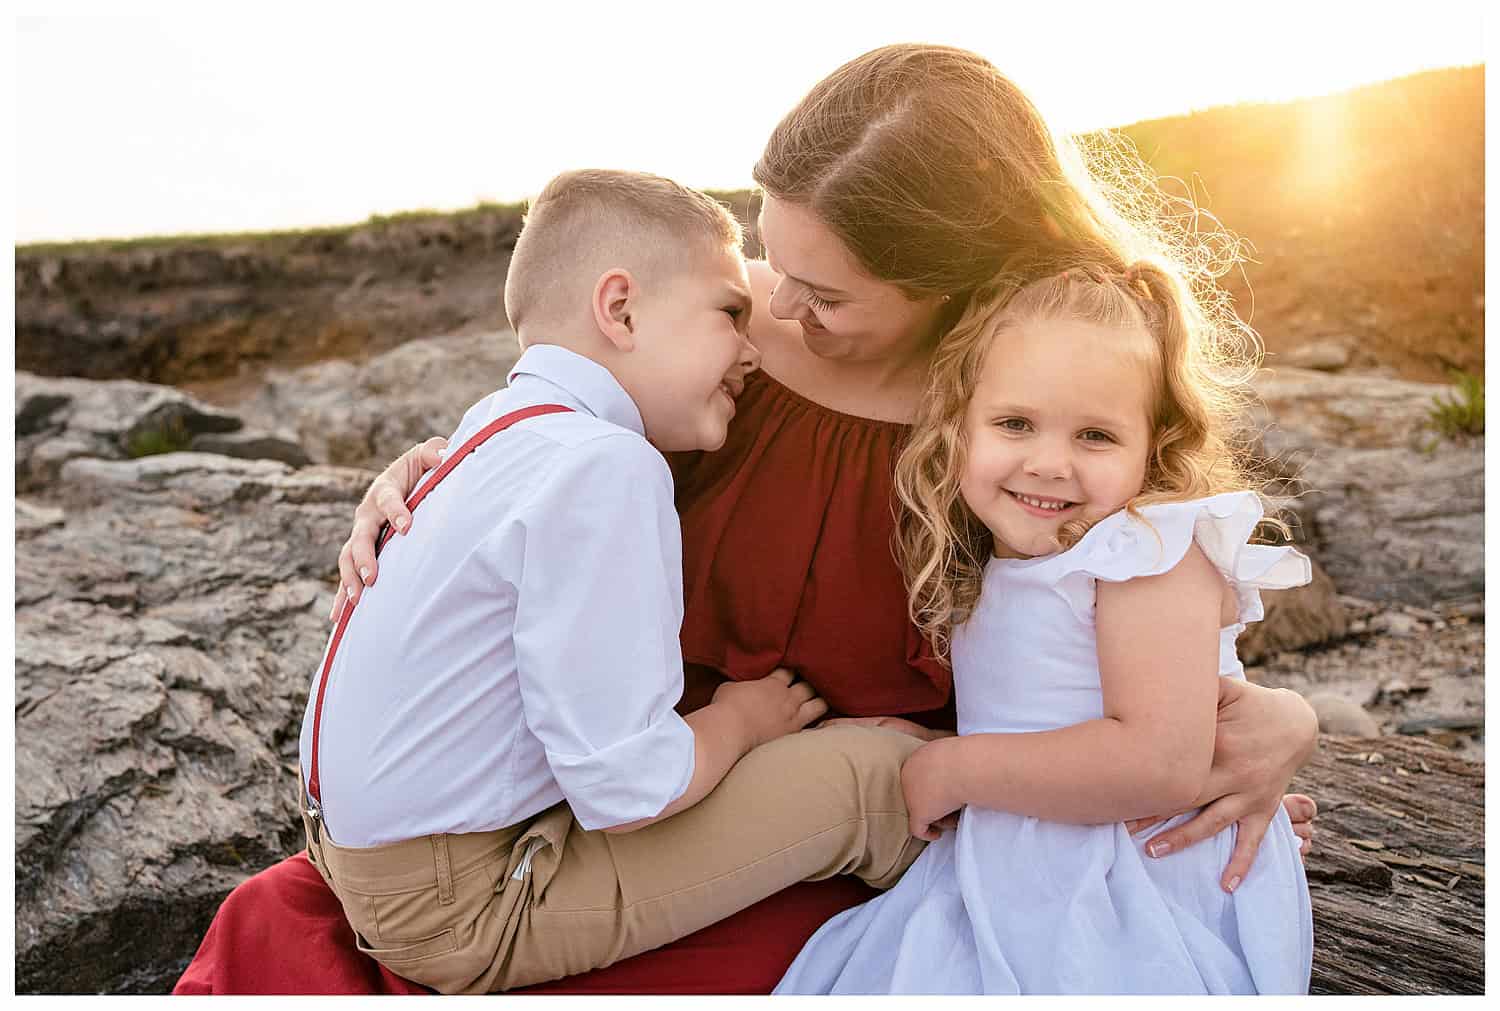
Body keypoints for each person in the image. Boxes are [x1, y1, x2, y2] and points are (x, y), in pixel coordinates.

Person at [175, 45, 1317, 996]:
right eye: (775, 260)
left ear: (954, 281)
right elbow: (545, 445)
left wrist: (1277, 714)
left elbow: (1124, 609)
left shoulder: (1030, 417)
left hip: (843, 813)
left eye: (826, 294)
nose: (779, 305)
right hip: (612, 773)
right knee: (297, 924)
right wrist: (413, 480)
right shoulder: (709, 342)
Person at [296, 168, 931, 994]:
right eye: (730, 313)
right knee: (873, 782)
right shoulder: (607, 464)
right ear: (621, 309)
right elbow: (630, 784)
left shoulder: (496, 427)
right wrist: (741, 721)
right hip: (464, 903)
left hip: (363, 855)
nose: (751, 348)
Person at [775, 262, 1314, 994]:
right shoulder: (1008, 556)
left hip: (1133, 883)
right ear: (959, 422)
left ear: (1152, 446)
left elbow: (1160, 763)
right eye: (1014, 423)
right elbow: (1045, 717)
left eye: (1095, 435)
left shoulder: (1145, 551)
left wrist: (957, 768)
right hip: (1030, 856)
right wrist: (935, 744)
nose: (1050, 463)